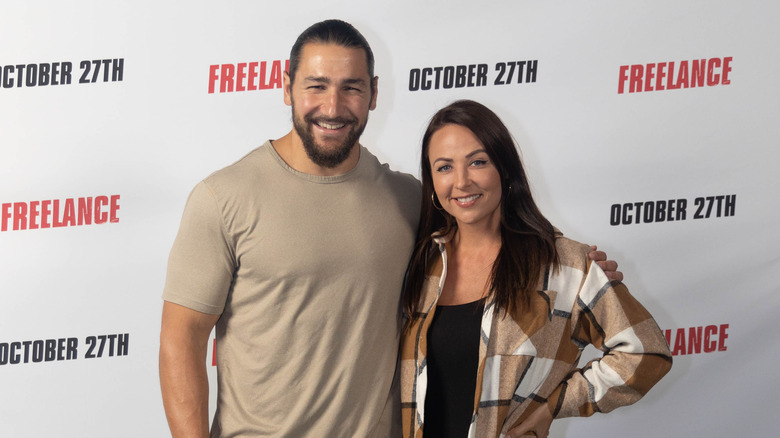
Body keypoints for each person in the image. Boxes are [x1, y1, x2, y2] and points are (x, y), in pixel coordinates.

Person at [159, 20, 621, 438]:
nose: (333, 106)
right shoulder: (223, 198)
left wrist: (578, 274)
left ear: (374, 94)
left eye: (351, 88)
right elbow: (182, 339)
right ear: (286, 88)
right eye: (316, 86)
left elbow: (487, 241)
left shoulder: (409, 200)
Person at [400, 100, 672, 438]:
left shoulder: (565, 265)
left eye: (478, 162)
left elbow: (646, 352)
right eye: (444, 167)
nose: (462, 181)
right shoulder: (417, 263)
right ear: (431, 182)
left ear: (505, 168)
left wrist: (553, 406)